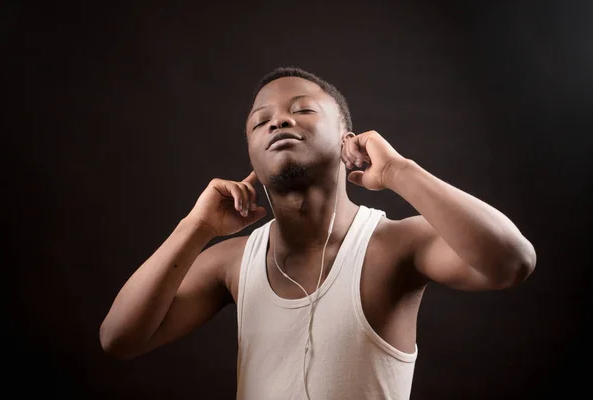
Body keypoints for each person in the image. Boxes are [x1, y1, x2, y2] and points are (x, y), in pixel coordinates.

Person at [99, 67, 537, 399]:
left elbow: (511, 262)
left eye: (302, 109)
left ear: (349, 140)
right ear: (251, 152)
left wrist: (399, 171)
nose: (278, 122)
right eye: (260, 122)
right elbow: (119, 339)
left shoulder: (393, 245)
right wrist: (195, 228)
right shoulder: (232, 262)